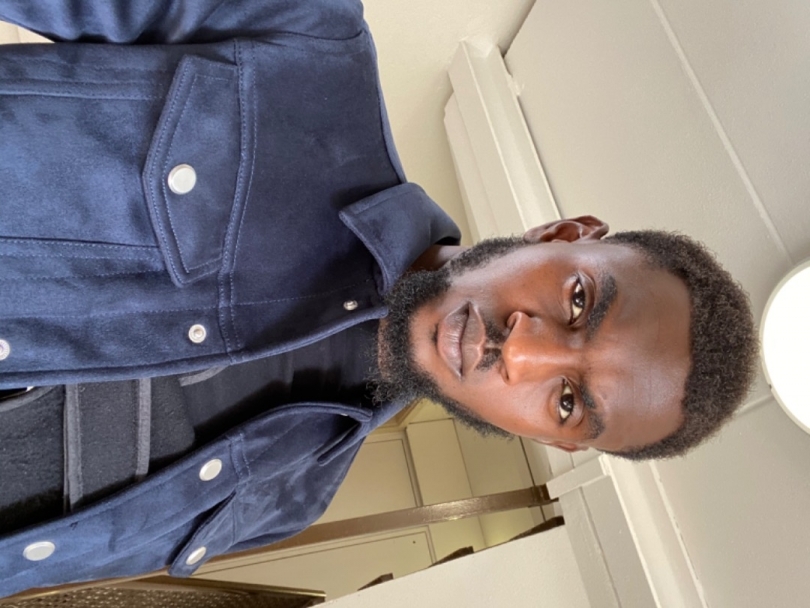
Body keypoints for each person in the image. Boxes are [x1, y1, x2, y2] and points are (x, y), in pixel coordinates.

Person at [0, 0, 757, 598]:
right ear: (561, 233)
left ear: (556, 440)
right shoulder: (306, 43)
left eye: (567, 401)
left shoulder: (287, 502)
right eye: (580, 301)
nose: (520, 350)